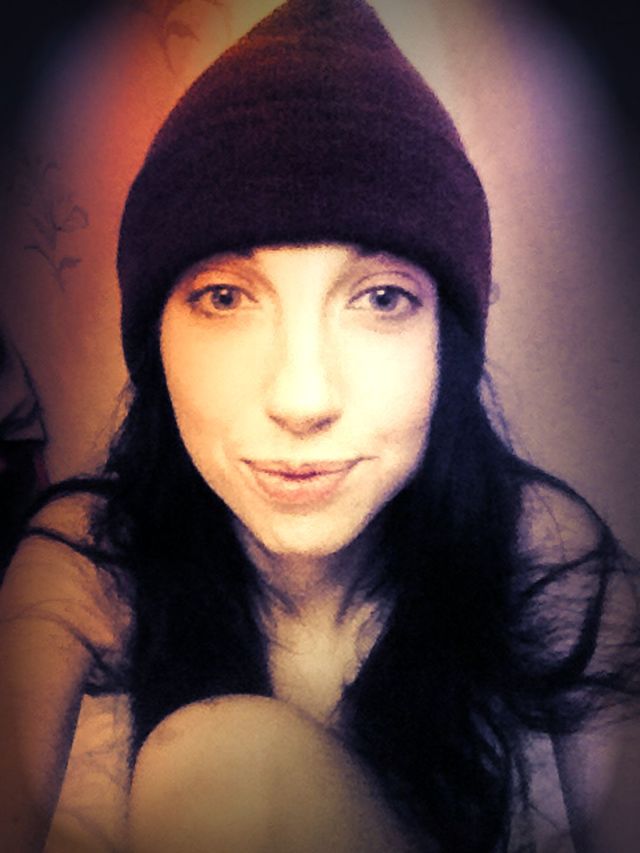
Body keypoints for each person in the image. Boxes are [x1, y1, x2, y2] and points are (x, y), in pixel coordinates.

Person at [1, 0, 639, 850]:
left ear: (445, 346)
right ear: (157, 342)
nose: (302, 398)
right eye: (224, 297)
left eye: (381, 298)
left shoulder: (541, 554)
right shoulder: (91, 559)